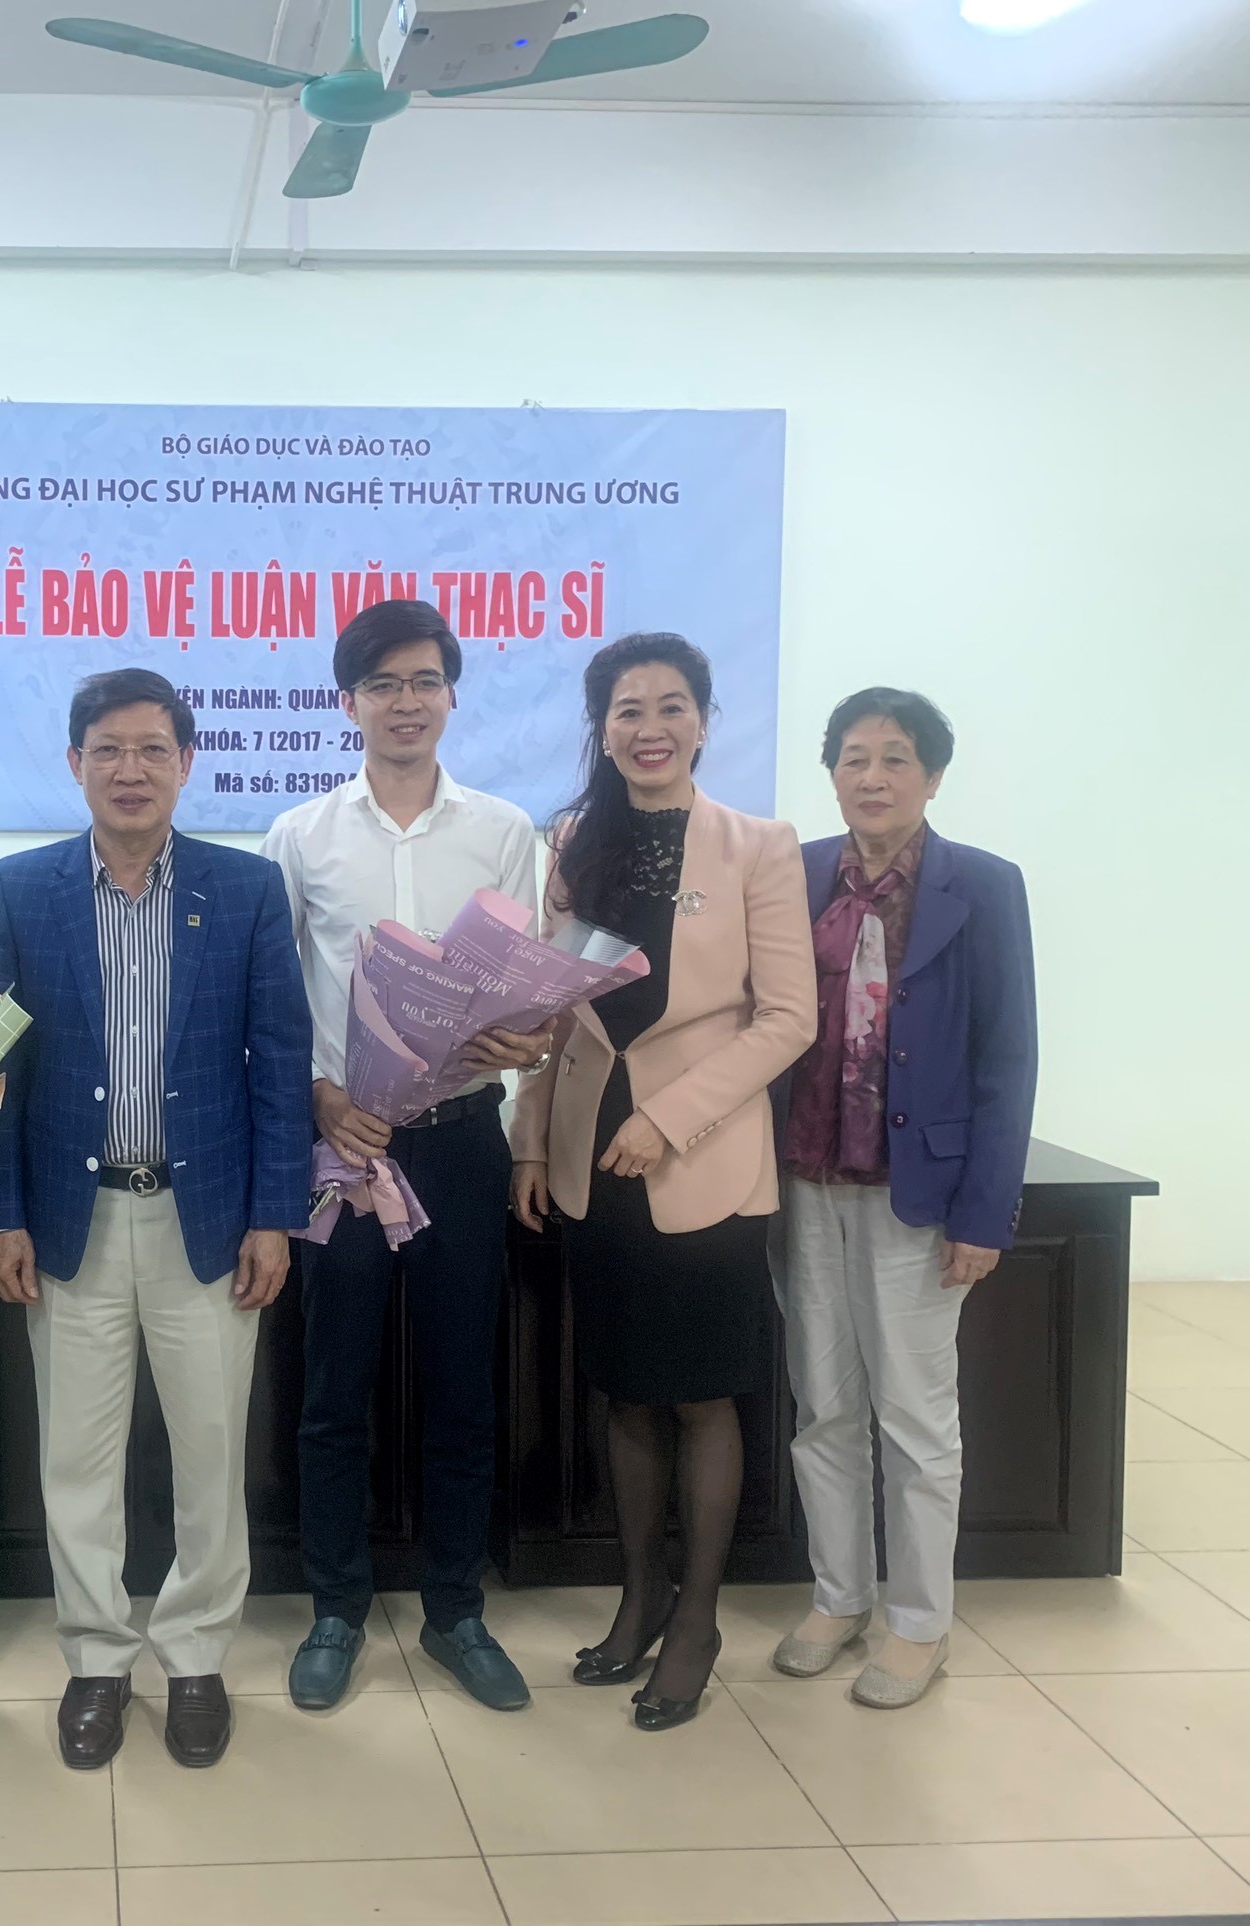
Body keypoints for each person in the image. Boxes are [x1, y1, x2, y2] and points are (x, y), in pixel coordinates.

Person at [0, 667, 313, 1771]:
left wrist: (275, 1213)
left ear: (186, 762)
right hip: (70, 1221)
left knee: (211, 1452)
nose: (131, 770)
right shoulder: (20, 888)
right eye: (108, 750)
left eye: (153, 749)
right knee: (76, 1457)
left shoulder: (244, 888)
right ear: (75, 763)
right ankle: (97, 1659)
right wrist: (1, 1214)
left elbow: (281, 1061)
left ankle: (198, 1654)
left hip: (204, 1221)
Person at [510, 632, 812, 1732]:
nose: (650, 728)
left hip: (704, 1154)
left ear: (704, 721)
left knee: (702, 1392)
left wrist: (670, 1118)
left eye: (672, 706)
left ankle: (698, 1621)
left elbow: (789, 1018)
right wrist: (531, 1142)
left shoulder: (758, 846)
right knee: (625, 1386)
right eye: (628, 709)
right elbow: (551, 1009)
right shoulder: (574, 842)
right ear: (602, 729)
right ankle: (639, 1598)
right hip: (593, 1155)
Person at [261, 600, 547, 1714]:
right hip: (346, 1148)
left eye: (424, 681)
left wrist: (526, 1036)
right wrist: (320, 1097)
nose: (405, 702)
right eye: (382, 684)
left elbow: (527, 992)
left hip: (461, 1142)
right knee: (333, 1391)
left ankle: (455, 1611)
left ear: (452, 695)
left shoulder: (503, 831)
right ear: (349, 703)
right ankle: (335, 1609)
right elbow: (273, 1000)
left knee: (462, 1390)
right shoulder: (302, 836)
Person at [771, 688, 1037, 1709]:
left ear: (933, 776)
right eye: (853, 757)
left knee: (917, 1420)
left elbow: (1008, 1058)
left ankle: (919, 1622)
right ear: (831, 773)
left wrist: (984, 1213)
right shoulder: (796, 875)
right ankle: (838, 1598)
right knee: (823, 1408)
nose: (872, 777)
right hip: (804, 1180)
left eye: (894, 758)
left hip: (916, 1193)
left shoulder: (983, 885)